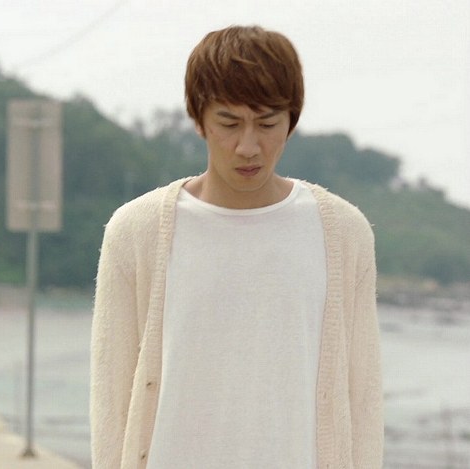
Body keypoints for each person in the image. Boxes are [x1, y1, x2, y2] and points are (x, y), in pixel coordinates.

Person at [90, 25, 383, 468]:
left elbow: (363, 401)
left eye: (267, 124)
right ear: (199, 120)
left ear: (291, 121)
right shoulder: (136, 232)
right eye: (229, 123)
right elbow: (111, 402)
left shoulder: (343, 234)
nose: (248, 146)